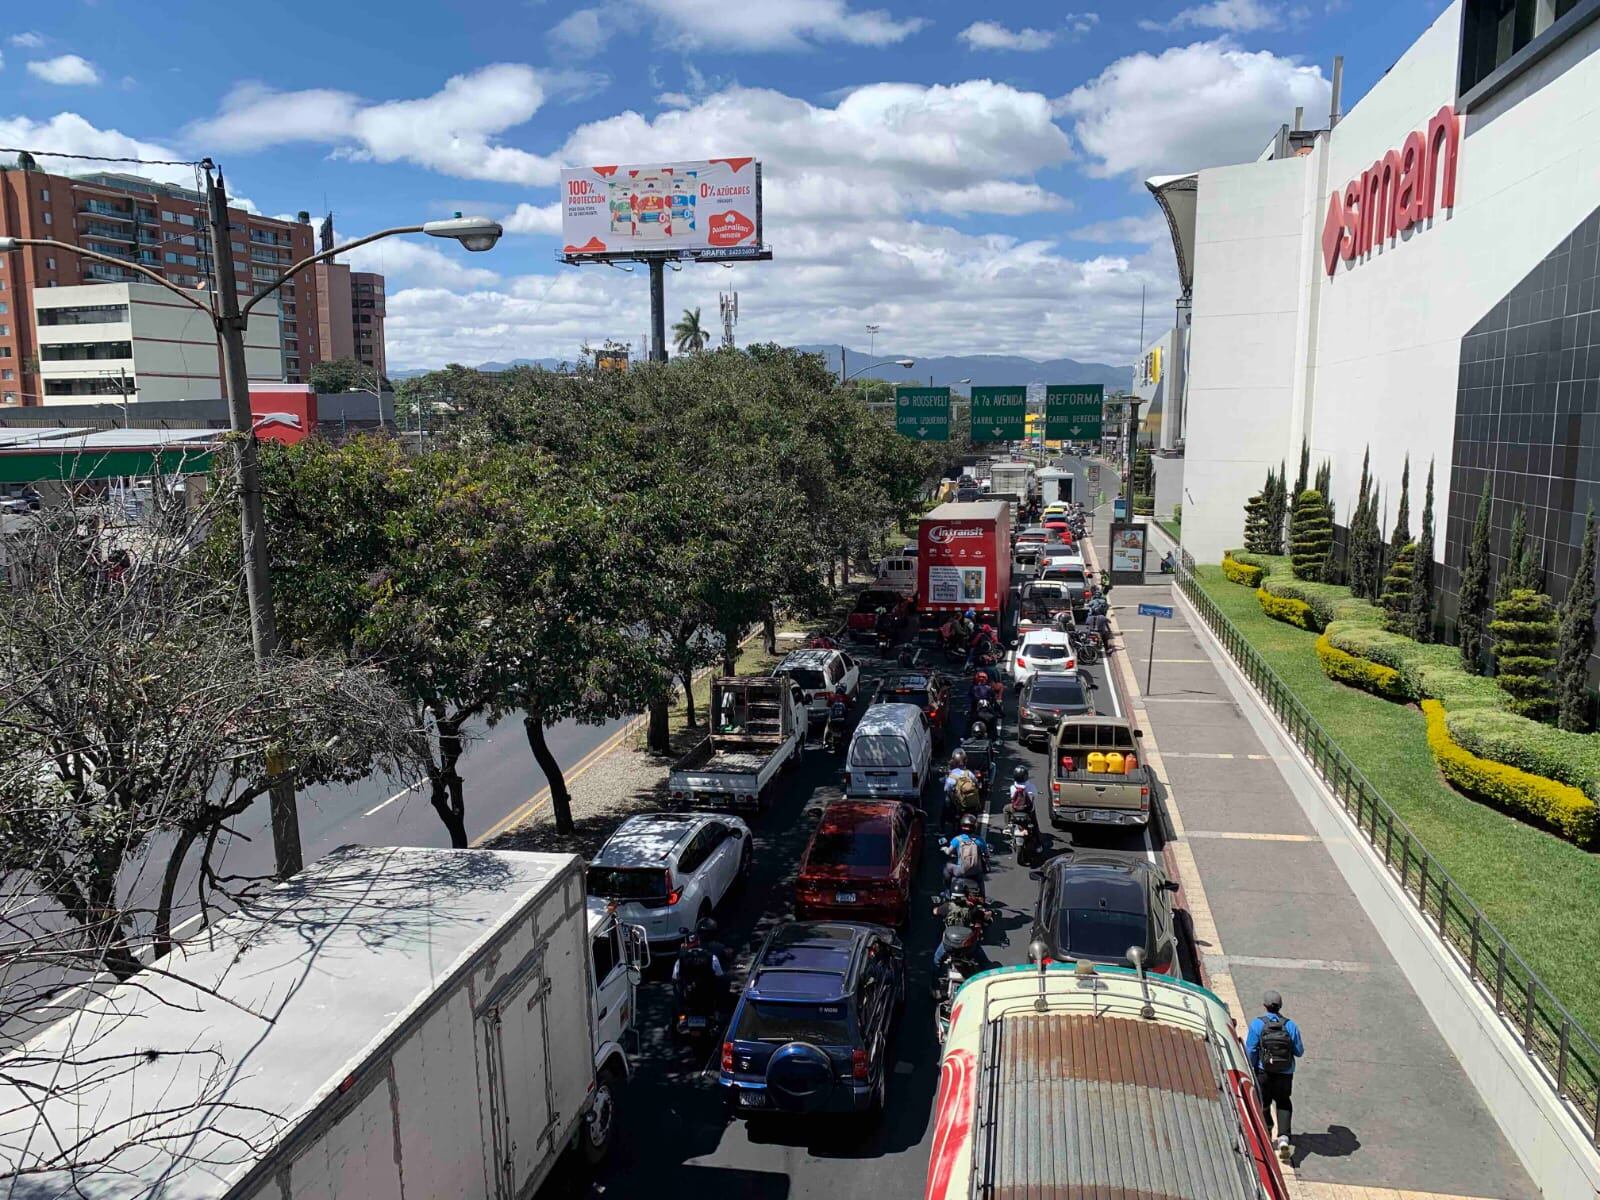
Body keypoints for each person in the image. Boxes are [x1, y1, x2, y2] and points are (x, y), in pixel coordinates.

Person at [1246, 989, 1305, 1163]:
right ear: (1280, 1006)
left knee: (1264, 1103)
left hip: (1264, 1071)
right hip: (1285, 1073)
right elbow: (1299, 1052)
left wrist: (1253, 1067)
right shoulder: (1291, 1026)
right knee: (1283, 1102)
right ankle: (1284, 1139)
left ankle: (1267, 1134)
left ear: (1264, 1005)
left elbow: (1251, 1050)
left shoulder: (1257, 1024)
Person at [943, 814, 990, 891]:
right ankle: (982, 894)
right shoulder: (980, 840)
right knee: (980, 879)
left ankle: (947, 890)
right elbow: (986, 854)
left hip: (960, 871)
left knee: (947, 867)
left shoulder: (957, 839)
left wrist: (944, 848)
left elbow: (948, 852)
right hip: (976, 872)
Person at [943, 750, 979, 831]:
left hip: (959, 805)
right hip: (971, 805)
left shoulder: (952, 776)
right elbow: (976, 783)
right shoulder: (968, 773)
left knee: (946, 802)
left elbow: (946, 789)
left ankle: (943, 828)